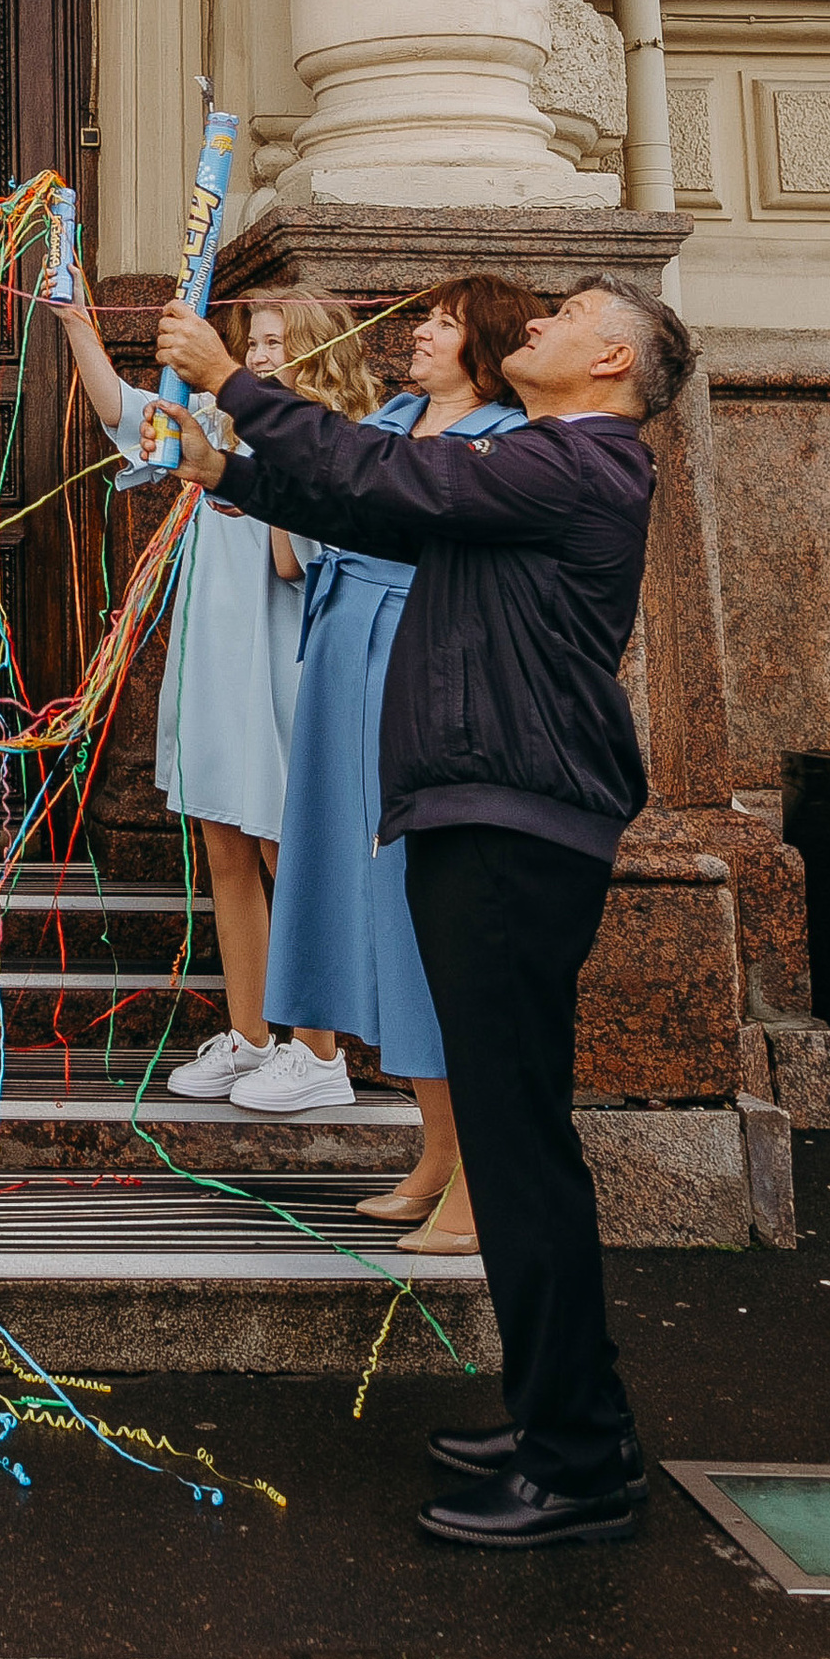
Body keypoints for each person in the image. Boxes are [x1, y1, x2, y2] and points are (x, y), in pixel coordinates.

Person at [156, 276, 692, 1551]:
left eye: (563, 314)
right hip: (480, 816)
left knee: (518, 1155)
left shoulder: (581, 462)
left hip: (511, 825)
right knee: (522, 1149)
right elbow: (369, 506)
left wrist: (235, 381)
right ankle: (572, 1419)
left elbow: (399, 483)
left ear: (610, 358)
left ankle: (576, 1464)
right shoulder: (543, 467)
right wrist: (226, 473)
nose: (538, 327)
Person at [254, 278, 538, 1243]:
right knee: (365, 902)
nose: (418, 333)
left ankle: (477, 1174)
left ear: (485, 344)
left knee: (425, 906)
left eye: (444, 323)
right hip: (341, 652)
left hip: (412, 658)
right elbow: (310, 536)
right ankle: (436, 1147)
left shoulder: (506, 440)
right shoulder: (396, 415)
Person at [46, 286, 345, 1101]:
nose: (258, 355)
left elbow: (294, 563)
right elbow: (126, 412)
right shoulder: (214, 424)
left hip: (279, 660)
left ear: (317, 353)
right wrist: (80, 326)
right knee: (225, 849)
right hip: (216, 657)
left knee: (287, 849)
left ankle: (317, 1052)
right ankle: (250, 1033)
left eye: (279, 344)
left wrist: (272, 462)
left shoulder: (324, 443)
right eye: (254, 342)